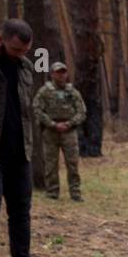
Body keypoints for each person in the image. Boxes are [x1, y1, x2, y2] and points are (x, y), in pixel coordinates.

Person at [0, 19, 47, 257]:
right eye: (15, 49)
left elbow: (26, 110)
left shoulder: (26, 67)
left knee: (21, 212)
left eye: (25, 50)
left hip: (20, 151)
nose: (20, 54)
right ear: (0, 38)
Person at [33, 61, 87, 202]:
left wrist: (69, 123)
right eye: (58, 72)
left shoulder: (72, 92)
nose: (61, 75)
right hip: (51, 132)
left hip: (69, 132)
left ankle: (75, 193)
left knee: (72, 163)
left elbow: (81, 111)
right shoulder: (45, 91)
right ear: (52, 74)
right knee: (51, 164)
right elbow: (37, 110)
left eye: (63, 72)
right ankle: (52, 193)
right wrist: (52, 124)